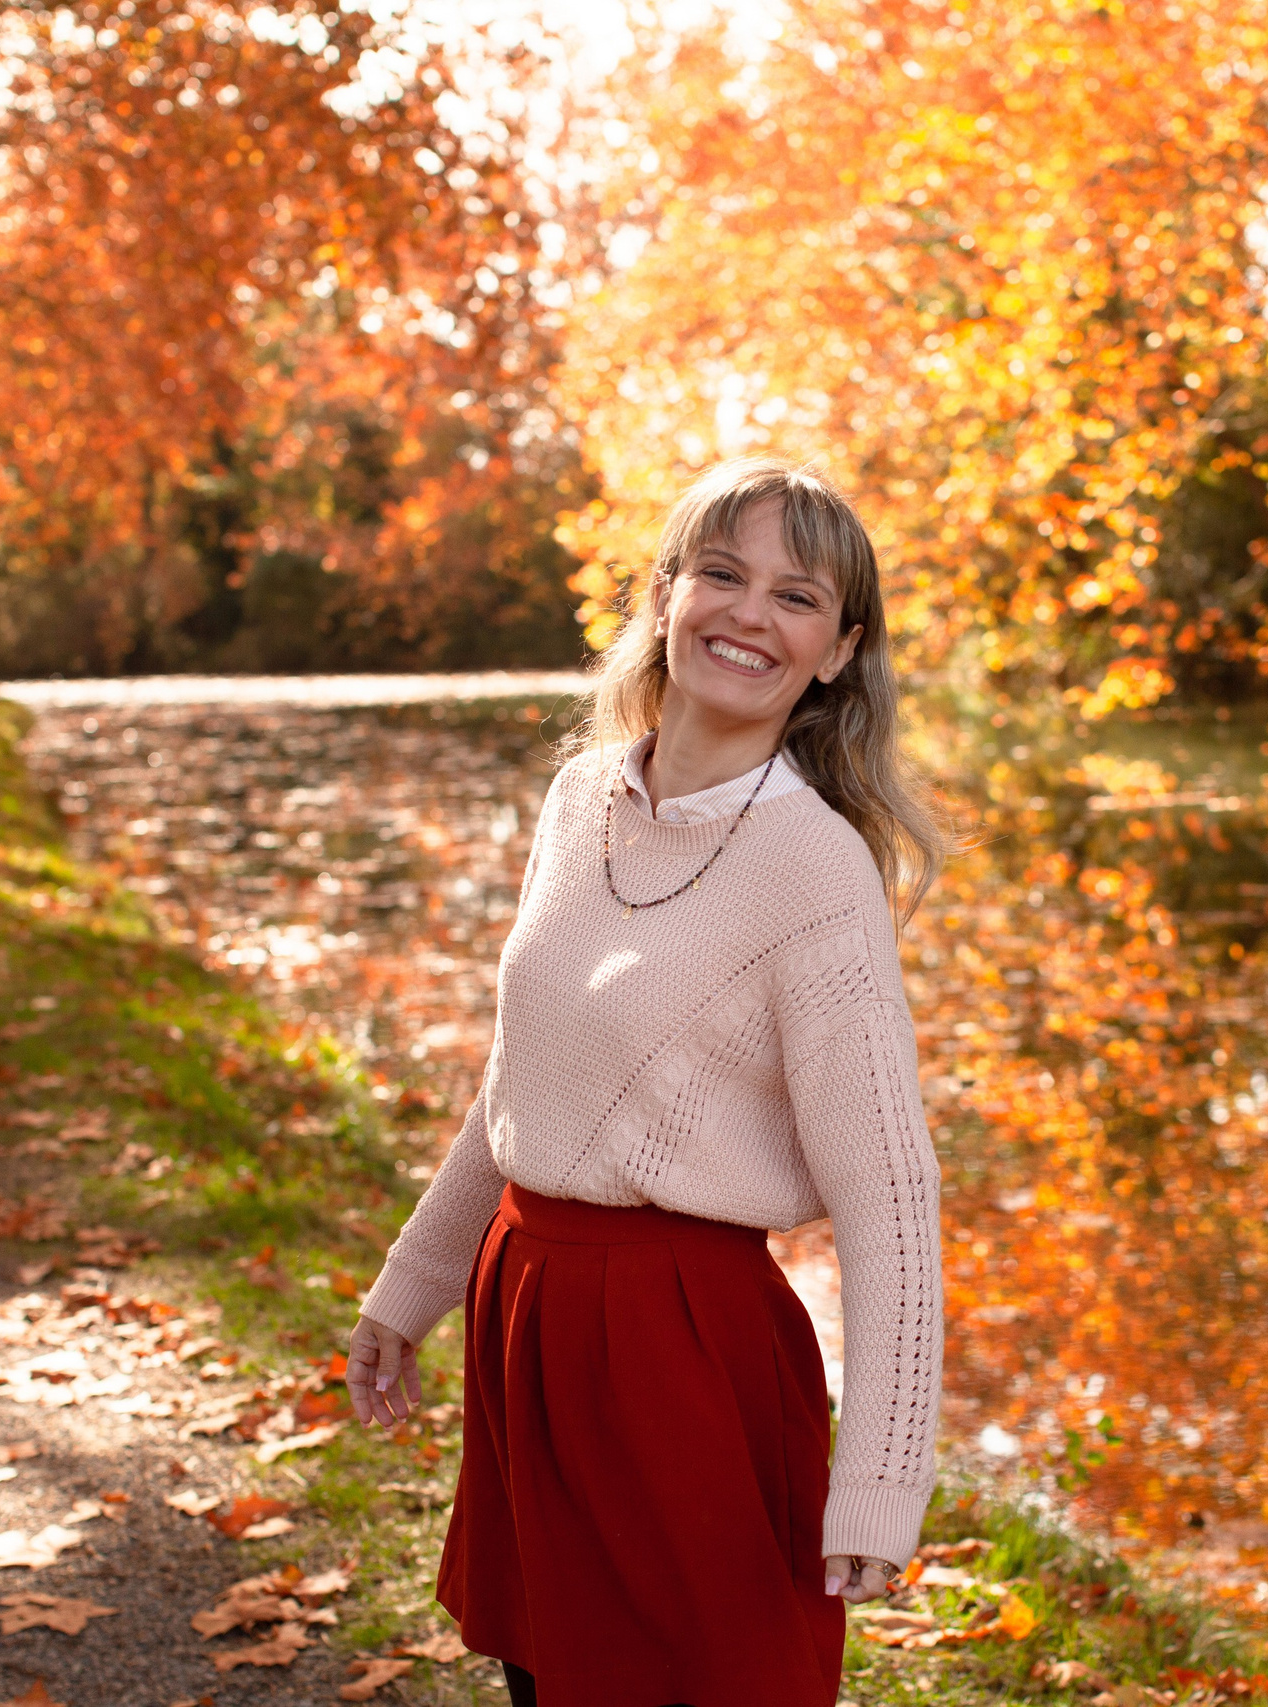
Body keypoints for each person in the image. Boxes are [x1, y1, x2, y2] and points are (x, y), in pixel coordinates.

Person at [343, 458, 949, 1706]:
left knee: (701, 1682)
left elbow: (890, 1195)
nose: (748, 613)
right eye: (721, 574)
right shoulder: (580, 800)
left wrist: (885, 1475)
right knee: (546, 1673)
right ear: (664, 597)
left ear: (836, 651)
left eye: (796, 596)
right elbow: (524, 1080)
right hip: (532, 1312)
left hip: (682, 1347)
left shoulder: (817, 875)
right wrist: (415, 1285)